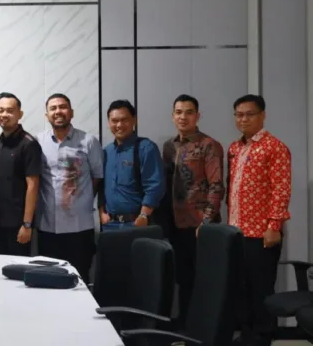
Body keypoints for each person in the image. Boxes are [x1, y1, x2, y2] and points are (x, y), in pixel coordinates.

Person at [228, 94, 291, 346]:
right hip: (236, 231)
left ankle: (262, 337)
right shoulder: (235, 148)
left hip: (262, 233)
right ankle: (246, 334)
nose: (243, 119)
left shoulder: (275, 147)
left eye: (249, 114)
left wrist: (274, 226)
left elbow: (281, 190)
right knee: (240, 286)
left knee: (261, 288)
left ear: (262, 115)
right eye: (239, 115)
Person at [161, 94, 225, 327]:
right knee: (183, 277)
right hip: (176, 222)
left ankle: (202, 327)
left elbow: (216, 186)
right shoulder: (169, 147)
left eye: (189, 112)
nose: (183, 117)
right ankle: (186, 322)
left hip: (200, 224)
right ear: (173, 116)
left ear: (197, 116)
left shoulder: (209, 145)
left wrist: (206, 222)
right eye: (178, 112)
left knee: (203, 278)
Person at [36, 94, 102, 283]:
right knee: (48, 280)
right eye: (53, 108)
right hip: (48, 226)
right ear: (46, 115)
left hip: (79, 227)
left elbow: (97, 177)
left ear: (71, 112)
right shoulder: (38, 141)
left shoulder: (89, 141)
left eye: (63, 107)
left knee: (79, 279)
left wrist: (78, 199)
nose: (58, 111)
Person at [0, 92, 41, 256]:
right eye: (0, 110)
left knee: (17, 268)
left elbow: (33, 186)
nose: (4, 115)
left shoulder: (29, 144)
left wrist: (27, 224)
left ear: (20, 114)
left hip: (18, 225)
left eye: (10, 111)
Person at [99, 100, 165, 231]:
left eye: (124, 120)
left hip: (137, 224)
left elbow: (155, 185)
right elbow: (101, 185)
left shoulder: (146, 148)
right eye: (114, 121)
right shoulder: (106, 151)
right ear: (108, 123)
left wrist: (143, 215)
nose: (119, 125)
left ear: (134, 120)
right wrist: (101, 212)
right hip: (110, 226)